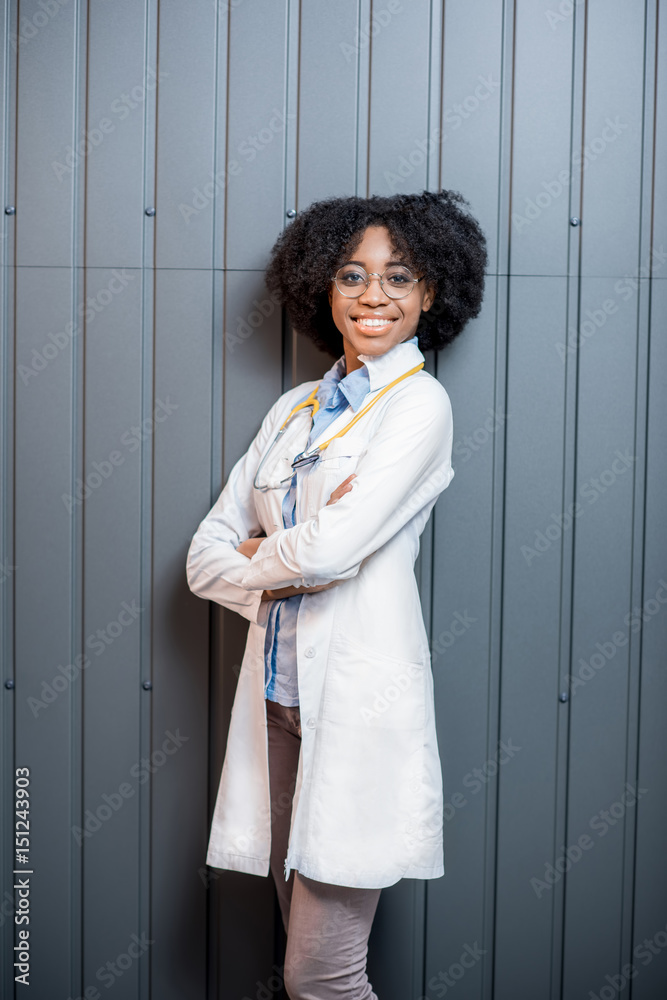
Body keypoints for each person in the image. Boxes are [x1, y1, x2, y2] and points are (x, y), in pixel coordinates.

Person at [186, 189, 487, 999]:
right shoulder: (294, 411)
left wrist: (265, 552)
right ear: (321, 286)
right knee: (296, 960)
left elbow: (338, 548)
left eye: (399, 277)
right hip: (278, 706)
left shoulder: (418, 405)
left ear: (432, 294)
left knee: (321, 976)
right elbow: (202, 561)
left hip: (356, 704)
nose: (372, 296)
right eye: (351, 275)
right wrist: (289, 559)